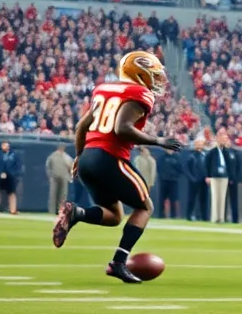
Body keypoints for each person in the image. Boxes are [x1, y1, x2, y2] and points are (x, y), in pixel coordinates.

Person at [51, 51, 183, 283]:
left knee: (114, 216)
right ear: (139, 73)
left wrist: (80, 156)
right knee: (145, 208)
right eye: (153, 75)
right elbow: (122, 128)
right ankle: (118, 263)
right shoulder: (140, 93)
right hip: (110, 157)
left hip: (89, 157)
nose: (157, 80)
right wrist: (158, 141)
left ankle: (76, 213)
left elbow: (82, 127)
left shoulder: (104, 90)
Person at [205, 133, 235, 223]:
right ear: (218, 139)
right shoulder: (212, 151)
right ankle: (214, 217)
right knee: (215, 197)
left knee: (222, 198)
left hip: (224, 176)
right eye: (222, 139)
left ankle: (221, 218)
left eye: (225, 139)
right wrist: (207, 176)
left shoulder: (226, 151)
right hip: (214, 176)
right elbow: (207, 164)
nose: (223, 141)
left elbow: (230, 165)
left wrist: (230, 176)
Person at [0, 142, 22, 214]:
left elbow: (18, 165)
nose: (5, 147)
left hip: (11, 176)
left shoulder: (14, 155)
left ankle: (13, 210)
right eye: (3, 145)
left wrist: (12, 173)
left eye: (6, 145)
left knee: (12, 193)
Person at [184, 138, 208, 221]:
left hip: (203, 181)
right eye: (197, 143)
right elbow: (186, 169)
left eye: (201, 143)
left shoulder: (205, 155)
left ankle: (204, 216)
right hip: (194, 181)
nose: (199, 145)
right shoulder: (191, 156)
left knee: (203, 199)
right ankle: (189, 215)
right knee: (191, 199)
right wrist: (192, 178)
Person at [46, 144, 74, 214]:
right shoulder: (53, 156)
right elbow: (48, 166)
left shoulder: (66, 156)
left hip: (64, 177)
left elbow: (71, 166)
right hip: (55, 177)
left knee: (62, 195)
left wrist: (70, 176)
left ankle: (60, 210)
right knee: (53, 194)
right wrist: (50, 175)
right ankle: (52, 210)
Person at [156, 147, 184, 219]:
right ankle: (161, 215)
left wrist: (175, 176)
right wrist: (163, 176)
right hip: (164, 181)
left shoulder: (177, 157)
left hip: (173, 181)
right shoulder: (162, 157)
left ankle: (173, 215)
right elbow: (159, 168)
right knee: (162, 198)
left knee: (173, 199)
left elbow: (180, 169)